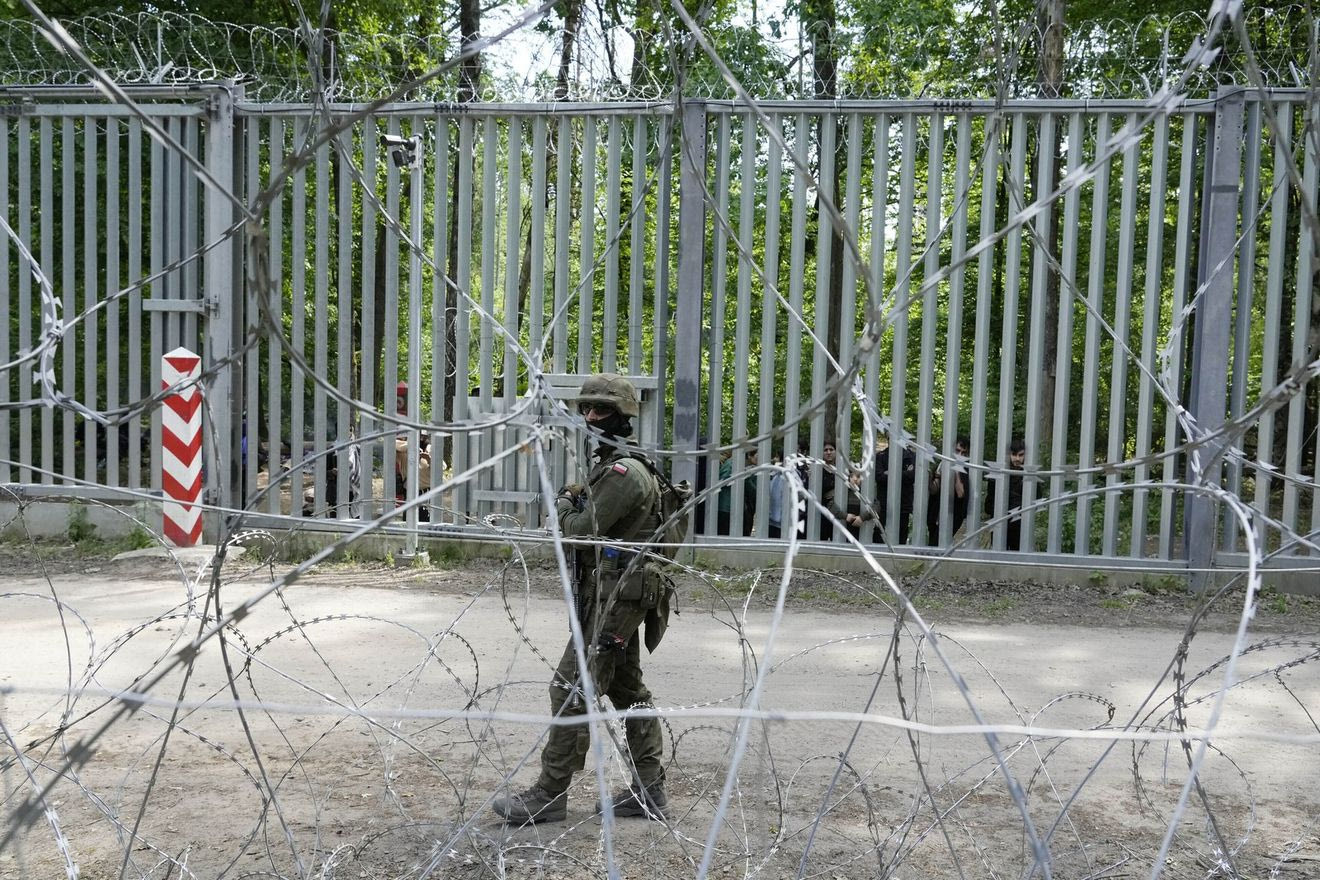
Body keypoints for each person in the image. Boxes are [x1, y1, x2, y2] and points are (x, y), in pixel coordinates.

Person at [492, 373, 671, 825]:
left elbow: (577, 532)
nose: (591, 417)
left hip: (616, 599)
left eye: (602, 411)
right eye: (587, 409)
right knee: (627, 689)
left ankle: (550, 795)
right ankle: (650, 791)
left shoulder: (624, 471)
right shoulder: (615, 466)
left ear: (623, 415)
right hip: (615, 595)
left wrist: (566, 506)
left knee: (572, 687)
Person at [926, 435, 970, 545]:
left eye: (963, 453)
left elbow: (960, 494)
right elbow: (934, 490)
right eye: (957, 451)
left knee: (939, 543)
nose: (959, 455)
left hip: (954, 514)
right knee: (933, 543)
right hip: (936, 512)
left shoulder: (966, 468)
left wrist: (956, 471)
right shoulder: (942, 464)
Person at [984, 437, 1026, 550]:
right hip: (999, 520)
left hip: (1020, 523)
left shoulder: (1028, 476)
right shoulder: (997, 474)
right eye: (1014, 454)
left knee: (1017, 554)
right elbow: (990, 500)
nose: (1017, 458)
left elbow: (1036, 497)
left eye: (1021, 455)